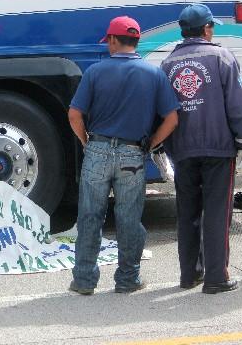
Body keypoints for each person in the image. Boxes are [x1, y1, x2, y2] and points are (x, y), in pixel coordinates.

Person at [68, 16, 180, 295]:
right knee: (129, 218)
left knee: (90, 216)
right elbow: (172, 119)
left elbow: (74, 114)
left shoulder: (95, 72)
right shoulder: (154, 74)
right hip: (133, 153)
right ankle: (127, 279)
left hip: (97, 148)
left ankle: (84, 280)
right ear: (137, 41)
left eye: (108, 41)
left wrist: (86, 142)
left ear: (114, 41)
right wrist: (152, 143)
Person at [160, 4, 242, 294]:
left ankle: (189, 274)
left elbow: (163, 111)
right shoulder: (222, 57)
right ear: (206, 29)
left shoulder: (167, 64)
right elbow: (237, 104)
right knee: (217, 211)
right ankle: (217, 277)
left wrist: (163, 147)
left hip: (182, 150)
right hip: (218, 149)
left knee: (187, 211)